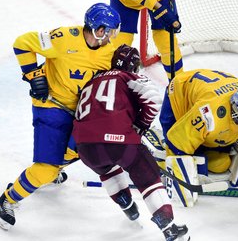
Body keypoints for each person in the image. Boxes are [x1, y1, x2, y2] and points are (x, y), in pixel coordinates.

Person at [0, 3, 123, 231]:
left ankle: (47, 172)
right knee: (47, 168)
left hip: (79, 109)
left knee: (83, 146)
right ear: (98, 29)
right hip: (50, 105)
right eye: (109, 32)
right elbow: (22, 43)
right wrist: (33, 75)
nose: (112, 37)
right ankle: (6, 201)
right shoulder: (62, 38)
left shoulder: (109, 52)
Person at [70, 45, 189, 241]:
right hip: (119, 142)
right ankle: (169, 228)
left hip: (85, 147)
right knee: (148, 177)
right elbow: (153, 98)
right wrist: (140, 125)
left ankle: (128, 206)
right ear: (133, 66)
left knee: (107, 170)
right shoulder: (126, 77)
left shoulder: (90, 82)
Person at [158, 69, 238, 206]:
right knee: (177, 147)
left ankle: (198, 150)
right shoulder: (208, 113)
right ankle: (157, 162)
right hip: (180, 91)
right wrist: (180, 176)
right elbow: (178, 140)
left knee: (221, 165)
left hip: (209, 90)